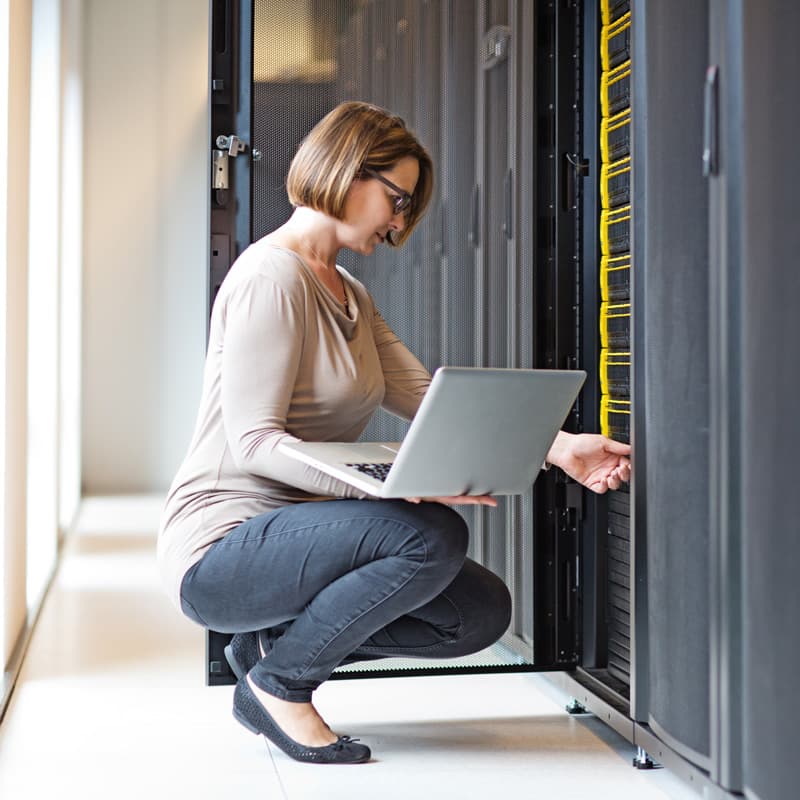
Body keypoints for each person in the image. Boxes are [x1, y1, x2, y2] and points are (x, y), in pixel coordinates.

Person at [157, 101, 631, 765]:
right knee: (430, 534)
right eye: (397, 198)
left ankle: (274, 651)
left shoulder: (348, 289)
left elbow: (423, 394)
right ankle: (281, 687)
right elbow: (254, 444)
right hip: (223, 544)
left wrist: (560, 449)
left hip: (302, 539)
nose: (401, 221)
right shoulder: (271, 277)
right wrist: (379, 491)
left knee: (478, 611)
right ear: (349, 173)